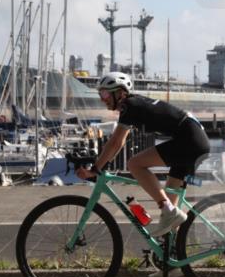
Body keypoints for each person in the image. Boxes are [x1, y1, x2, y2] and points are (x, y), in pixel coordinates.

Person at [76, 71, 211, 236]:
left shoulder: (129, 105)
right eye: (100, 94)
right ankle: (173, 251)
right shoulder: (135, 104)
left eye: (104, 93)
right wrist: (103, 162)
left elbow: (116, 141)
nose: (102, 98)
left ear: (120, 92)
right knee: (170, 211)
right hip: (193, 139)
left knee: (134, 164)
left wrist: (96, 168)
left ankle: (168, 211)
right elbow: (119, 142)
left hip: (189, 140)